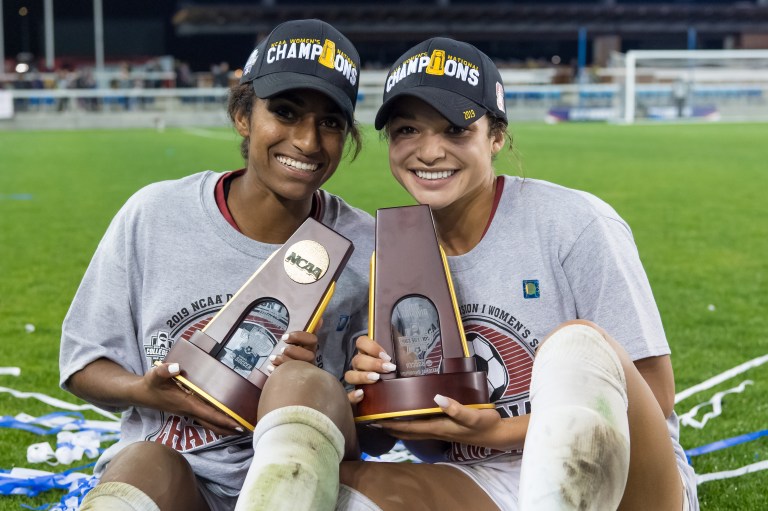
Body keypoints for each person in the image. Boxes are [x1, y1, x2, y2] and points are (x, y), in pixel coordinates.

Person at [342, 37, 699, 511]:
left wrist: (500, 431)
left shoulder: (574, 223)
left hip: (623, 476)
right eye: (408, 129)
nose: (429, 152)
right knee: (332, 487)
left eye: (455, 130)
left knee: (577, 345)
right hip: (487, 478)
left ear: (496, 137)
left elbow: (657, 393)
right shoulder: (394, 253)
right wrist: (380, 399)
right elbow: (413, 443)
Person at [59, 19, 373, 511]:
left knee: (302, 382)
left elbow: (377, 433)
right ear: (243, 115)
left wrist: (333, 395)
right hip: (175, 474)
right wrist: (148, 390)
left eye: (331, 122)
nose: (309, 142)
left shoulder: (367, 245)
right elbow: (83, 363)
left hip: (306, 485)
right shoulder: (155, 214)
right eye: (286, 112)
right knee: (145, 465)